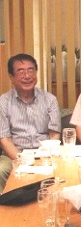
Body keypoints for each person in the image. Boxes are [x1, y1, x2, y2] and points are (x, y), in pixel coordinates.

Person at [0, 54, 61, 192]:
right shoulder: (3, 102)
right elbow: (4, 140)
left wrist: (44, 158)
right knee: (1, 169)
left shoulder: (50, 100)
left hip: (45, 154)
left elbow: (54, 135)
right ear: (11, 77)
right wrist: (23, 161)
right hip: (14, 155)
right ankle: (5, 203)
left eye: (31, 70)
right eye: (21, 71)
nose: (27, 76)